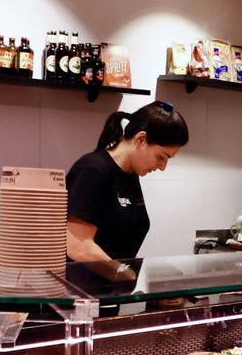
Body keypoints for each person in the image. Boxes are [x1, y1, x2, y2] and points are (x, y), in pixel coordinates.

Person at [66, 100, 188, 263]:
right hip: (82, 287)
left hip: (115, 286)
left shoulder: (131, 173)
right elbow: (79, 247)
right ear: (141, 139)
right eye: (161, 157)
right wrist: (122, 273)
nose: (162, 167)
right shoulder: (92, 170)